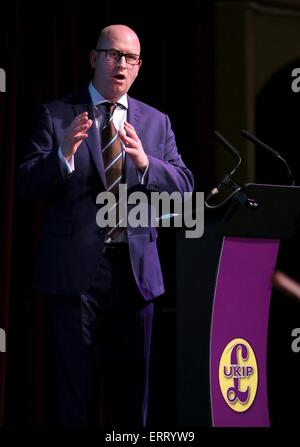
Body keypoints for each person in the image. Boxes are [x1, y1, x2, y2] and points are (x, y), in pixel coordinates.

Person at [18, 24, 194, 427]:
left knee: (135, 398)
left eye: (131, 58)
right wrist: (61, 156)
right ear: (94, 58)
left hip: (136, 276)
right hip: (77, 275)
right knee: (76, 395)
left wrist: (147, 164)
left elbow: (185, 186)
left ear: (139, 67)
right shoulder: (57, 114)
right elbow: (26, 184)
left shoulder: (156, 122)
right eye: (114, 55)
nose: (122, 64)